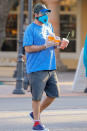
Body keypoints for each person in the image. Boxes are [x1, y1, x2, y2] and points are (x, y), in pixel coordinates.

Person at [23, 3, 69, 131]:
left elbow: (53, 42)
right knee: (36, 97)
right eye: (43, 13)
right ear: (36, 14)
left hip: (50, 66)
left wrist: (61, 43)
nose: (45, 16)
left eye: (46, 13)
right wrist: (45, 46)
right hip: (36, 68)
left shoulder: (49, 26)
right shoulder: (30, 29)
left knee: (54, 94)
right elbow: (27, 48)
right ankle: (36, 123)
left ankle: (34, 114)